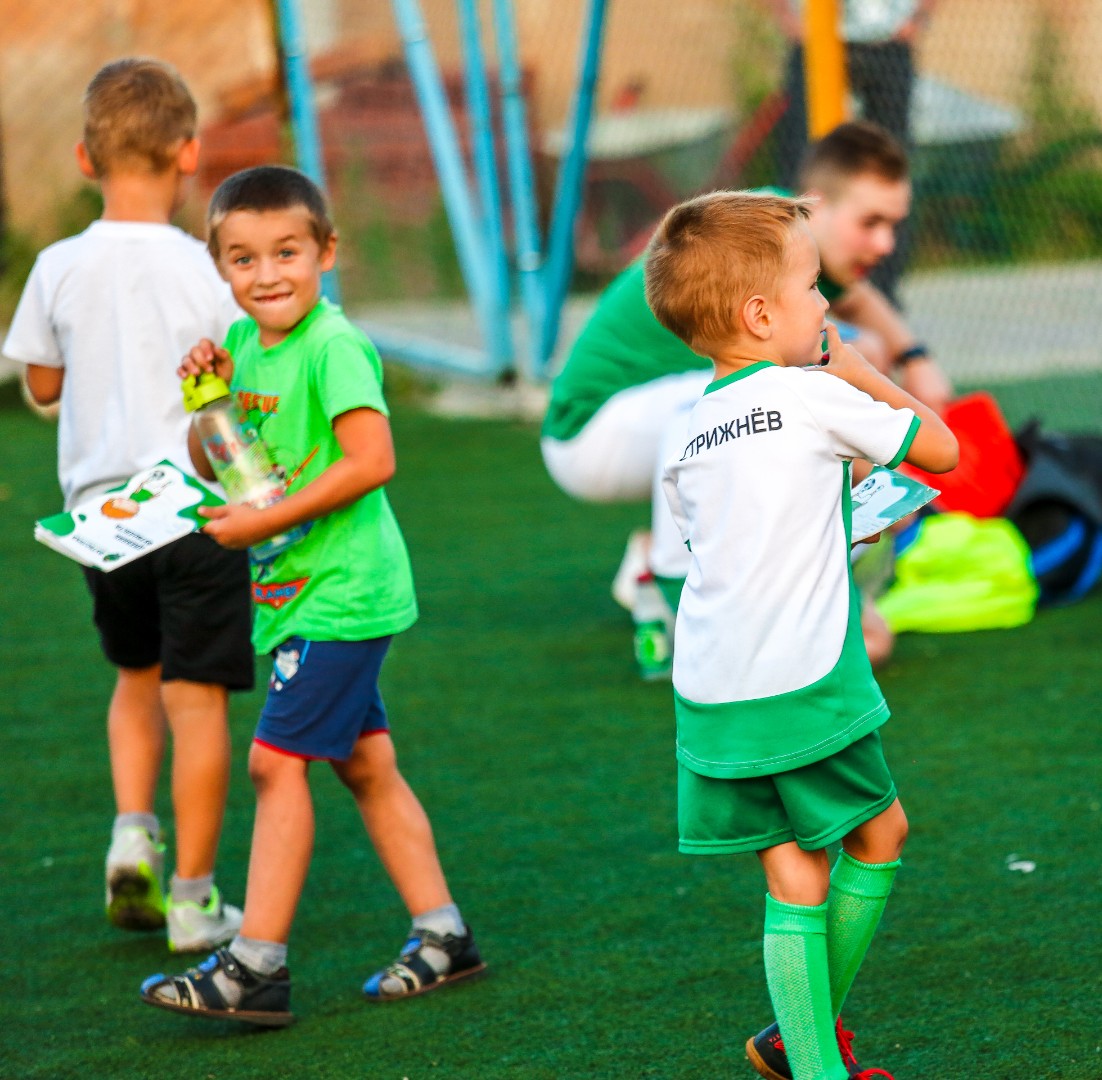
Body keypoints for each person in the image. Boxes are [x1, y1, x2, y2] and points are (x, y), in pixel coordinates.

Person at [137, 166, 482, 1027]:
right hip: (297, 596)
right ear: (221, 267)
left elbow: (372, 462)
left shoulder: (333, 346)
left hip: (345, 592)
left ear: (327, 251)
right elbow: (220, 457)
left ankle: (256, 965)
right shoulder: (246, 347)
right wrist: (205, 398)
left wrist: (263, 524)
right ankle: (443, 935)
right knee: (365, 765)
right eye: (245, 259)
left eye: (287, 252)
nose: (268, 275)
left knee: (274, 762)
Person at [646, 190, 956, 1079]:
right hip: (802, 684)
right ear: (760, 314)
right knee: (881, 833)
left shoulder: (684, 434)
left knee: (793, 877)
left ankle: (799, 1046)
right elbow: (941, 450)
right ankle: (811, 1057)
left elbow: (717, 551)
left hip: (709, 700)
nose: (826, 305)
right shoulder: (810, 395)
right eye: (814, 286)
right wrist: (857, 370)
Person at [540, 122, 951, 673]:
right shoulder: (762, 244)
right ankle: (676, 591)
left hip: (641, 416)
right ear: (821, 207)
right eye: (871, 223)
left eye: (894, 225)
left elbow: (861, 309)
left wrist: (914, 355)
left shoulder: (775, 225)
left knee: (808, 376)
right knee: (746, 398)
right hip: (593, 434)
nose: (885, 244)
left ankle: (662, 564)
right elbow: (914, 427)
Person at [1, 58, 250, 953]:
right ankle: (193, 899)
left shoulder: (58, 264)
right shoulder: (207, 270)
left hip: (103, 520)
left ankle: (131, 835)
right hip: (196, 509)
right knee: (199, 702)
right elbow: (237, 388)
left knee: (134, 680)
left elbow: (40, 385)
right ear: (190, 154)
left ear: (82, 158)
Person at [763, 0, 936, 302]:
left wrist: (917, 18)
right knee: (802, 168)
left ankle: (881, 293)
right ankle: (793, 285)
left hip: (885, 39)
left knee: (889, 172)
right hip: (816, 40)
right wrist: (788, 19)